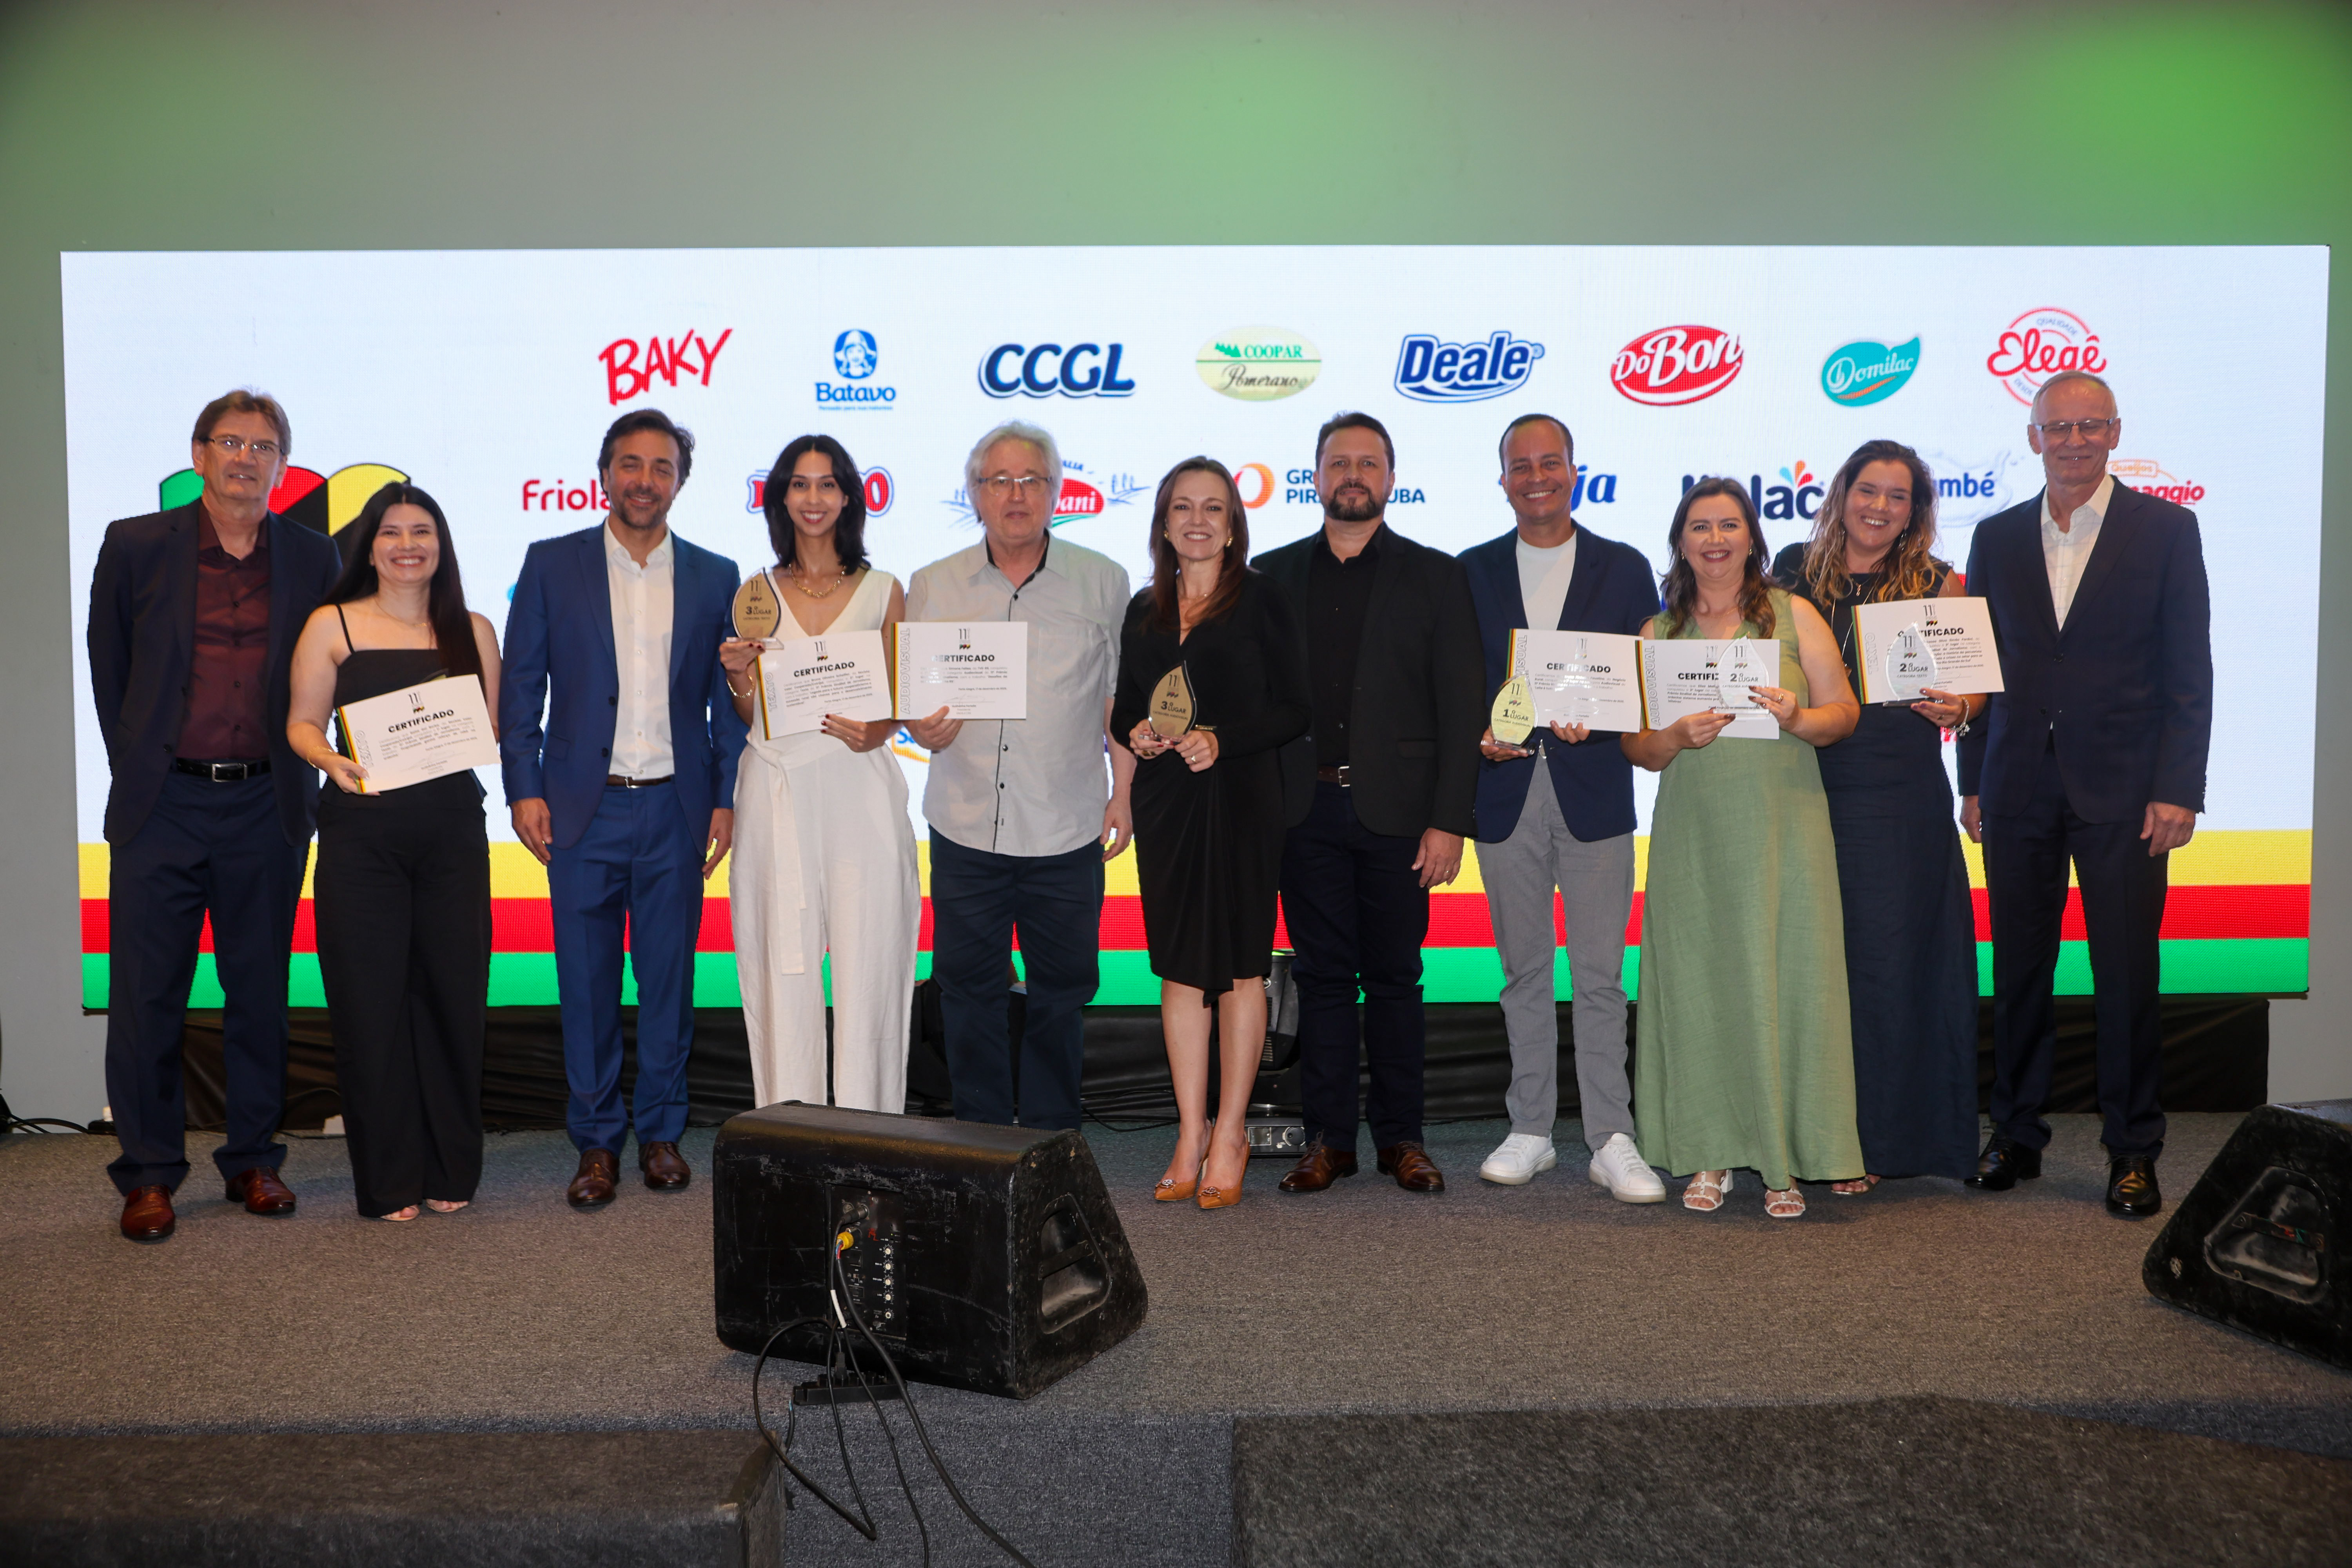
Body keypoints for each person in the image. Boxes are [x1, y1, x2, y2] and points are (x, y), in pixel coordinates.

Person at [87, 390, 342, 1243]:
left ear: (282, 465)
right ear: (199, 455)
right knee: (146, 996)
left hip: (267, 803)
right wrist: (143, 768)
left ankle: (253, 1160)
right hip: (164, 804)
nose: (245, 458)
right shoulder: (136, 544)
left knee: (259, 992)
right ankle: (149, 1173)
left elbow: (332, 670)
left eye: (263, 446)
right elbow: (111, 669)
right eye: (230, 442)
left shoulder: (313, 555)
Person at [1958, 371, 2211, 1220]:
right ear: (2034, 437)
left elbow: (2190, 669)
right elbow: (1980, 669)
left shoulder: (2167, 529)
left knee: (2127, 976)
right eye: (2058, 427)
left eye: (2089, 426)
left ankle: (2133, 1149)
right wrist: (1973, 780)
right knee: (2019, 972)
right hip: (2016, 787)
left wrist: (2179, 787)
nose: (2073, 441)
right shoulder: (1995, 536)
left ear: (2114, 433)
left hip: (2130, 795)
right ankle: (2017, 1134)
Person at [499, 409, 746, 1209]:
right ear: (605, 473)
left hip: (677, 809)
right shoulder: (551, 563)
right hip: (581, 811)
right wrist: (523, 786)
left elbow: (727, 706)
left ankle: (663, 1133)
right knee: (587, 983)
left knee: (670, 981)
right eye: (631, 464)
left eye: (662, 467)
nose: (645, 480)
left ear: (681, 481)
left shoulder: (716, 575)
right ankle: (598, 1141)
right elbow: (521, 691)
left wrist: (725, 798)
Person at [1255, 413, 1483, 1195]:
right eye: (1339, 462)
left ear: (1390, 477)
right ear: (1316, 476)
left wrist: (1449, 819)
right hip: (1302, 810)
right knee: (1321, 980)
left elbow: (1461, 703)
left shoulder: (1436, 575)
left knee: (1395, 979)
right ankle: (1328, 1141)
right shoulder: (1271, 575)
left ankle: (1401, 1139)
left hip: (1402, 815)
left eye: (1368, 462)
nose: (1353, 474)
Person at [1627, 479, 1863, 1218]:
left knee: (1788, 981)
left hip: (1784, 831)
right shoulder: (1656, 632)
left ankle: (1784, 1157)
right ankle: (1710, 1151)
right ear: (1681, 540)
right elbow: (1638, 749)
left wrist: (1798, 718)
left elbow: (1844, 714)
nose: (1716, 539)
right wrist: (1673, 736)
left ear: (1752, 538)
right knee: (1701, 984)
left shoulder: (1793, 615)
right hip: (1694, 835)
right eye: (1700, 526)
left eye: (1730, 525)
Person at [904, 421, 1133, 1131]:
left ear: (1057, 491)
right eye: (998, 481)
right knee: (967, 992)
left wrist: (1124, 792)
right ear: (974, 494)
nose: (1015, 495)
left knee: (1061, 994)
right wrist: (921, 727)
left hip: (1065, 824)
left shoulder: (1104, 581)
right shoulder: (933, 584)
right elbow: (915, 701)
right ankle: (979, 1144)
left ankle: (1051, 1143)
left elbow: (1117, 702)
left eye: (1031, 480)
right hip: (966, 823)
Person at [1459, 414, 1664, 1200]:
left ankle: (1611, 1135)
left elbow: (1642, 681)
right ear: (1502, 479)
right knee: (1523, 971)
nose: (1537, 476)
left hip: (1596, 790)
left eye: (1551, 463)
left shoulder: (1624, 566)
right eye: (1522, 465)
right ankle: (1532, 1129)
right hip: (1503, 792)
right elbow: (1457, 679)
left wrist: (1603, 720)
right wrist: (1478, 735)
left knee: (1601, 975)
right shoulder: (1471, 570)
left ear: (1575, 472)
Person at [1771, 441, 1982, 1194]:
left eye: (1898, 496)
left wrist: (1960, 708)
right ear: (1842, 494)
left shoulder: (1938, 582)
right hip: (1805, 785)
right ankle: (1810, 1138)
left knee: (1889, 971)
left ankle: (1882, 1141)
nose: (1880, 508)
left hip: (1899, 799)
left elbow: (1974, 688)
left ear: (1915, 510)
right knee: (1812, 966)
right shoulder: (1792, 569)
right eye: (1868, 491)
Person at [285, 484, 500, 1221]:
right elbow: (302, 723)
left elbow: (489, 731)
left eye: (422, 532)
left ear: (442, 545)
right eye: (392, 533)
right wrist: (330, 760)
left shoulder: (473, 628)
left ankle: (450, 1168)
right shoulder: (333, 623)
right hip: (361, 834)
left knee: (453, 998)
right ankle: (388, 1179)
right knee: (368, 1004)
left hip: (451, 834)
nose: (408, 545)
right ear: (369, 547)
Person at [1111, 458, 1310, 1209]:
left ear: (1233, 526)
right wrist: (1137, 730)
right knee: (1180, 969)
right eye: (1183, 508)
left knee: (1240, 967)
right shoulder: (1143, 608)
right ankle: (1189, 1134)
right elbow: (1125, 706)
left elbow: (1295, 709)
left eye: (1214, 509)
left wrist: (1223, 740)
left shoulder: (1264, 599)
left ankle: (1231, 1134)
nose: (1198, 521)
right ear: (1163, 524)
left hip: (1243, 797)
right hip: (1168, 802)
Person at [717, 436, 920, 1114]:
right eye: (799, 485)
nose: (813, 498)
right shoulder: (755, 593)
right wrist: (738, 678)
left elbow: (901, 701)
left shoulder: (885, 590)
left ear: (849, 497)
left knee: (871, 968)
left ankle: (873, 1139)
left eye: (827, 484)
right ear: (780, 498)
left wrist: (881, 730)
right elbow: (754, 712)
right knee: (780, 970)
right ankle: (788, 1140)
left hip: (859, 787)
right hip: (777, 788)